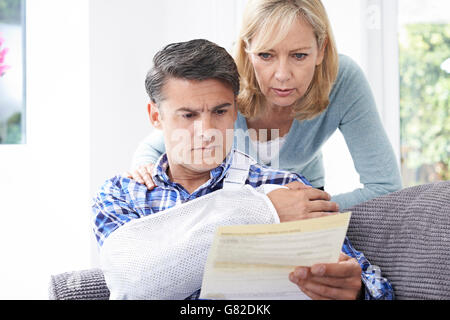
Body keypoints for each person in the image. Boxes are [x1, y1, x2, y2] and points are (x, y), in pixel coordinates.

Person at [92, 39, 393, 300]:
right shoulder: (122, 195)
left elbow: (372, 282)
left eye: (220, 112)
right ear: (155, 116)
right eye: (188, 115)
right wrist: (263, 211)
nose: (207, 130)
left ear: (235, 110)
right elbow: (132, 284)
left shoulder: (288, 188)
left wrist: (356, 291)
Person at [128, 0, 402, 211]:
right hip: (234, 208)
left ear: (321, 49)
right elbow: (154, 147)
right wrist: (146, 176)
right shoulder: (224, 80)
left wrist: (311, 209)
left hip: (303, 195)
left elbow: (386, 187)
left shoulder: (343, 79)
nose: (282, 74)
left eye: (299, 55)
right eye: (266, 55)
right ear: (246, 48)